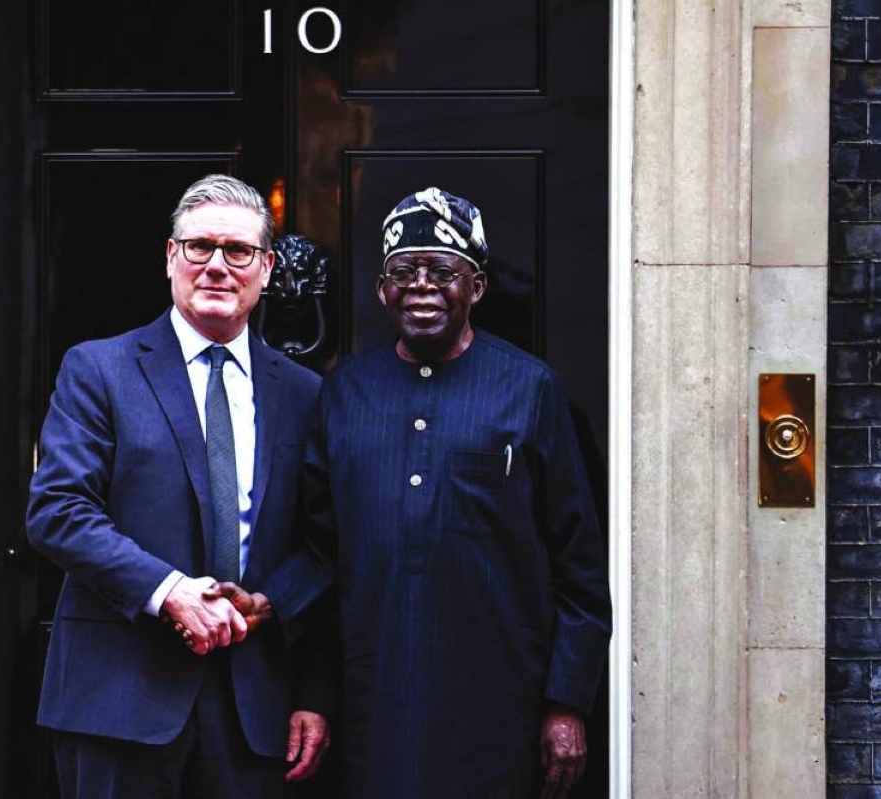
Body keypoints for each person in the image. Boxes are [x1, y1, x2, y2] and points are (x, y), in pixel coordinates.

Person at [249, 187, 612, 797]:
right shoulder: (345, 393)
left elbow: (579, 567)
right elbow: (320, 551)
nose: (421, 284)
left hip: (501, 705)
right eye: (402, 271)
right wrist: (271, 611)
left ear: (477, 287)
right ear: (381, 291)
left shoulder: (530, 391)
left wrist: (567, 703)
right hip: (375, 700)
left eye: (442, 270)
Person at [27, 174, 332, 798]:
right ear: (171, 257)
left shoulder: (304, 395)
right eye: (199, 247)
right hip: (119, 700)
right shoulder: (99, 370)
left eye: (239, 251)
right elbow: (58, 510)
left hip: (255, 708)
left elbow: (327, 543)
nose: (217, 265)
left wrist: (275, 615)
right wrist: (168, 592)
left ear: (267, 269)